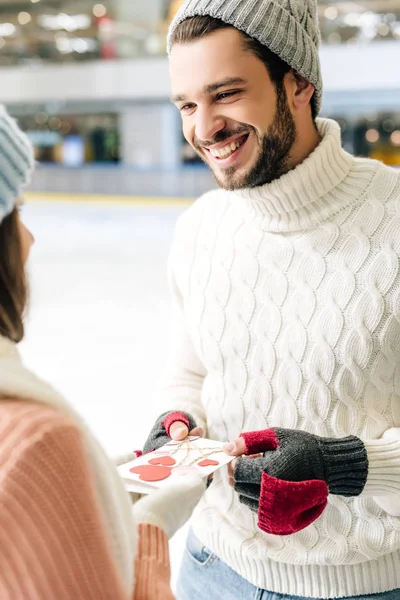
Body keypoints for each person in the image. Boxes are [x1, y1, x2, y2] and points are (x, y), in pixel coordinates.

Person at [142, 1, 400, 599]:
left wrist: (344, 465)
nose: (203, 128)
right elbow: (192, 370)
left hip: (366, 587)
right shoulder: (201, 228)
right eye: (187, 104)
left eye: (226, 93)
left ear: (300, 82)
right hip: (212, 569)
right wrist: (178, 421)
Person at [0, 104, 206, 600]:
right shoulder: (36, 441)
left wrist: (97, 485)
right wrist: (149, 524)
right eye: (17, 211)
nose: (30, 238)